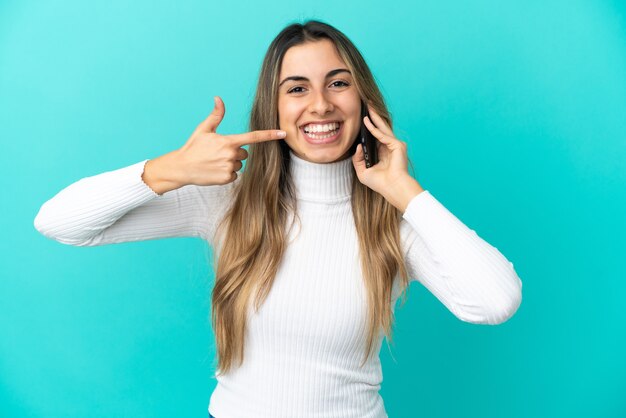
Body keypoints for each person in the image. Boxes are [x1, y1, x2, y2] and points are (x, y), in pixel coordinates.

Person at [33, 19, 523, 418]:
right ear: (274, 106)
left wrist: (405, 191)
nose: (320, 104)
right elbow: (59, 222)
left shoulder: (390, 222)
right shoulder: (229, 202)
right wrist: (171, 169)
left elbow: (496, 300)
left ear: (363, 100)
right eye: (297, 88)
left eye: (338, 83)